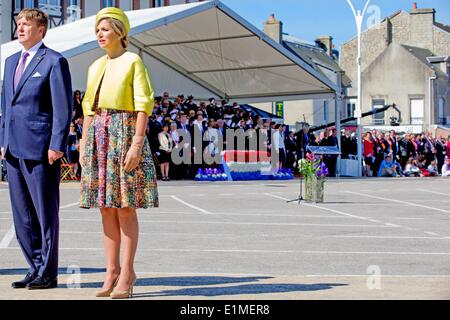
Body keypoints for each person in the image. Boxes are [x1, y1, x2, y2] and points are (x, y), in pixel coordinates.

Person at [79, 7, 159, 299]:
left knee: (125, 207)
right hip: (98, 135)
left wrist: (137, 143)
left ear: (120, 32)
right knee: (105, 206)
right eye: (97, 30)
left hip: (124, 132)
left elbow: (143, 103)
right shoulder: (94, 65)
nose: (99, 34)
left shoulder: (133, 61)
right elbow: (88, 107)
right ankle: (110, 270)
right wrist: (84, 144)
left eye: (105, 29)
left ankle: (127, 272)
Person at [0, 8, 73, 289]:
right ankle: (34, 266)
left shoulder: (54, 61)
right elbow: (7, 106)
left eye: (26, 25)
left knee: (44, 213)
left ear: (41, 30)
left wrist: (57, 144)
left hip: (42, 150)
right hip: (14, 150)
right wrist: (3, 141)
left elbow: (62, 108)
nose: (20, 28)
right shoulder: (10, 62)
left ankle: (48, 272)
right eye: (18, 24)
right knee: (22, 215)